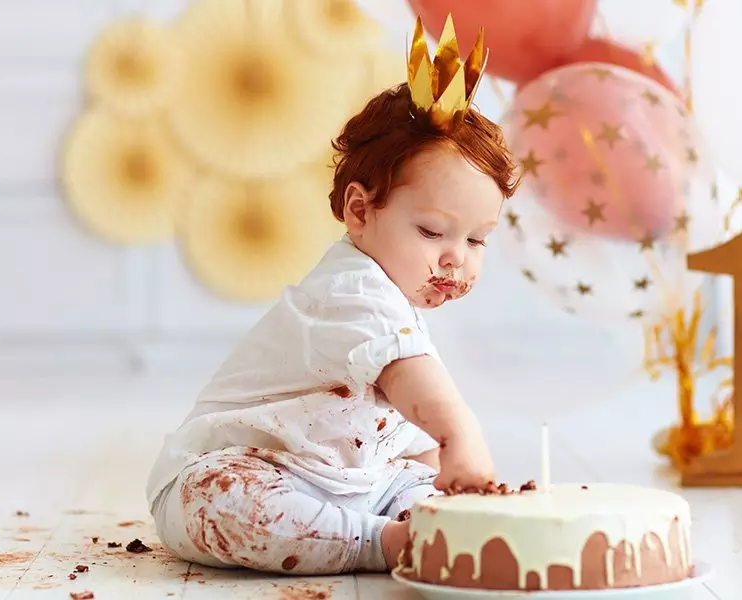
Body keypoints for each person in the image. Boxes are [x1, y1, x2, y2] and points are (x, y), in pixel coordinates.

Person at [145, 18, 519, 576]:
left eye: (476, 240)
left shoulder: (398, 298)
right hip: (257, 467)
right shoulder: (351, 290)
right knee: (222, 499)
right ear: (360, 211)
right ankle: (381, 544)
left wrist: (438, 474)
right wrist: (462, 438)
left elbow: (404, 429)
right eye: (432, 232)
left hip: (360, 482)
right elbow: (417, 388)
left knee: (424, 488)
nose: (455, 258)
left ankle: (408, 528)